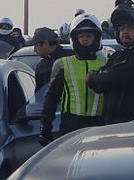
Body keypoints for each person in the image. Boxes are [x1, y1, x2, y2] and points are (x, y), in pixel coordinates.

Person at [87, 0, 134, 125]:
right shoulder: (117, 56)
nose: (125, 32)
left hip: (133, 125)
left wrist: (94, 75)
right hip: (111, 125)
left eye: (131, 28)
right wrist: (100, 77)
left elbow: (115, 76)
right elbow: (98, 87)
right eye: (121, 28)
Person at [40, 13, 108, 144]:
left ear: (97, 38)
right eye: (81, 36)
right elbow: (51, 99)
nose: (85, 39)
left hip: (99, 126)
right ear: (74, 39)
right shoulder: (62, 64)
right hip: (70, 126)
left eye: (89, 36)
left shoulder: (107, 62)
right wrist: (45, 128)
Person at [31, 26, 72, 92]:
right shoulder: (41, 66)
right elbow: (39, 94)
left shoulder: (73, 58)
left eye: (36, 45)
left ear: (45, 44)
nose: (34, 50)